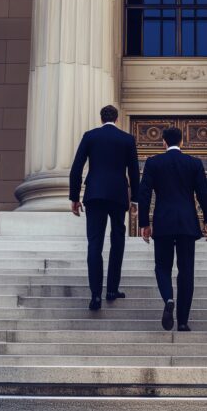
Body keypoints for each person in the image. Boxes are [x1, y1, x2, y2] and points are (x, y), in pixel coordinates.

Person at [138, 127, 207, 332]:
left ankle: (168, 298)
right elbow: (203, 193)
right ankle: (182, 321)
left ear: (163, 142)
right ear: (182, 143)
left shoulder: (153, 163)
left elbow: (144, 194)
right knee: (186, 271)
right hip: (187, 223)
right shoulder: (194, 163)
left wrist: (144, 223)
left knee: (162, 267)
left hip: (163, 222)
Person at [69, 105, 140, 311]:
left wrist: (74, 197)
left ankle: (95, 295)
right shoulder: (127, 139)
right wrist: (135, 199)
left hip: (95, 194)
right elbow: (134, 172)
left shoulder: (90, 136)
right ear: (116, 119)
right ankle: (112, 289)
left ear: (101, 119)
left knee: (94, 243)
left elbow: (76, 168)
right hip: (118, 195)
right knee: (117, 240)